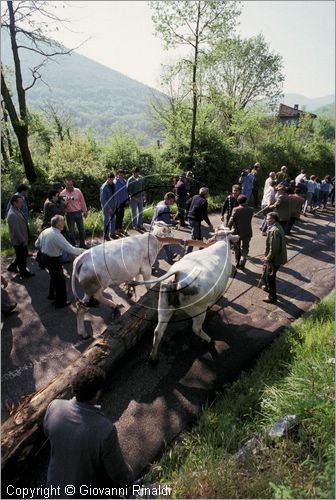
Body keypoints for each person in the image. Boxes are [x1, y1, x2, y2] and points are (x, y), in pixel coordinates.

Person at [43, 366, 133, 498]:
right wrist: (129, 481)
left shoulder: (54, 406)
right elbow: (119, 473)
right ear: (97, 394)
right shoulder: (105, 430)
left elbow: (48, 433)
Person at [35, 215, 84, 308]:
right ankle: (60, 302)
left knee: (54, 276)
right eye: (62, 221)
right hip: (53, 260)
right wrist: (85, 251)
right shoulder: (58, 236)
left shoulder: (45, 231)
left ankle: (52, 295)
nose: (64, 223)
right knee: (60, 281)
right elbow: (72, 250)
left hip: (44, 257)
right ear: (58, 224)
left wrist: (45, 248)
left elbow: (36, 244)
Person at [261, 212, 287, 304]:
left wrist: (267, 258)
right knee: (267, 273)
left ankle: (272, 297)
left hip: (275, 259)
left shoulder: (274, 231)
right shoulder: (278, 227)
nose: (266, 220)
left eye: (268, 219)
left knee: (270, 278)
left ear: (273, 220)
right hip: (276, 257)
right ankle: (267, 287)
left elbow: (274, 248)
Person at [6, 195, 34, 278]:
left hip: (22, 238)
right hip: (19, 240)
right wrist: (23, 240)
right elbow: (16, 230)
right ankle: (24, 273)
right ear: (15, 202)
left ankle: (12, 267)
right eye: (20, 202)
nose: (22, 203)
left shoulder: (16, 209)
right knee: (22, 258)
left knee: (22, 254)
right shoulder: (12, 214)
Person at [228, 195, 254, 270]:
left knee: (237, 247)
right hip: (247, 231)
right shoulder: (251, 210)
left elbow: (231, 220)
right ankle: (244, 259)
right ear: (246, 201)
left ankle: (237, 261)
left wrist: (228, 229)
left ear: (238, 201)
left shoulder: (235, 209)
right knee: (245, 247)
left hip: (237, 232)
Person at [60, 178, 88, 248]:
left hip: (78, 212)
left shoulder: (78, 191)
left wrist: (85, 211)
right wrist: (67, 199)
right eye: (68, 184)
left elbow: (82, 201)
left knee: (81, 230)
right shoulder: (62, 193)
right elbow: (63, 205)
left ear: (73, 183)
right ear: (65, 184)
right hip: (69, 214)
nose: (70, 186)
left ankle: (82, 244)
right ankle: (73, 246)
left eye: (71, 184)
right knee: (71, 232)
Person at [152, 192, 179, 264]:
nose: (173, 203)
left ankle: (170, 257)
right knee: (156, 247)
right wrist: (176, 222)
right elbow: (167, 222)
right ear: (167, 199)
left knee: (166, 243)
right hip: (159, 228)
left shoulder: (160, 203)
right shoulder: (165, 208)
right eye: (172, 201)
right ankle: (151, 264)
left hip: (155, 225)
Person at [185, 187, 213, 254]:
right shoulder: (204, 201)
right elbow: (204, 215)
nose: (208, 195)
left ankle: (202, 250)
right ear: (206, 194)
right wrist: (209, 224)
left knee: (199, 235)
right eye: (208, 193)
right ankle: (186, 254)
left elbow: (187, 203)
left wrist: (189, 211)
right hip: (195, 221)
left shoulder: (195, 196)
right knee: (193, 238)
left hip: (190, 218)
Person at [100, 172, 117, 241]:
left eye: (113, 179)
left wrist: (116, 204)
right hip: (107, 207)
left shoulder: (114, 185)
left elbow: (115, 195)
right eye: (110, 179)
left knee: (113, 220)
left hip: (113, 206)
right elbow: (102, 199)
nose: (111, 181)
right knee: (106, 221)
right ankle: (106, 235)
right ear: (107, 178)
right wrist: (108, 208)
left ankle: (112, 234)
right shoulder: (104, 187)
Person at [114, 169, 129, 236]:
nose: (121, 176)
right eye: (119, 175)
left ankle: (120, 228)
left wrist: (126, 200)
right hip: (117, 202)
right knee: (117, 216)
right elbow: (115, 194)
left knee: (121, 216)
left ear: (124, 175)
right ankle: (116, 229)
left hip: (123, 202)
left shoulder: (125, 182)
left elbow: (126, 192)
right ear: (117, 175)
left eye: (122, 175)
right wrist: (117, 203)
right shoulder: (115, 182)